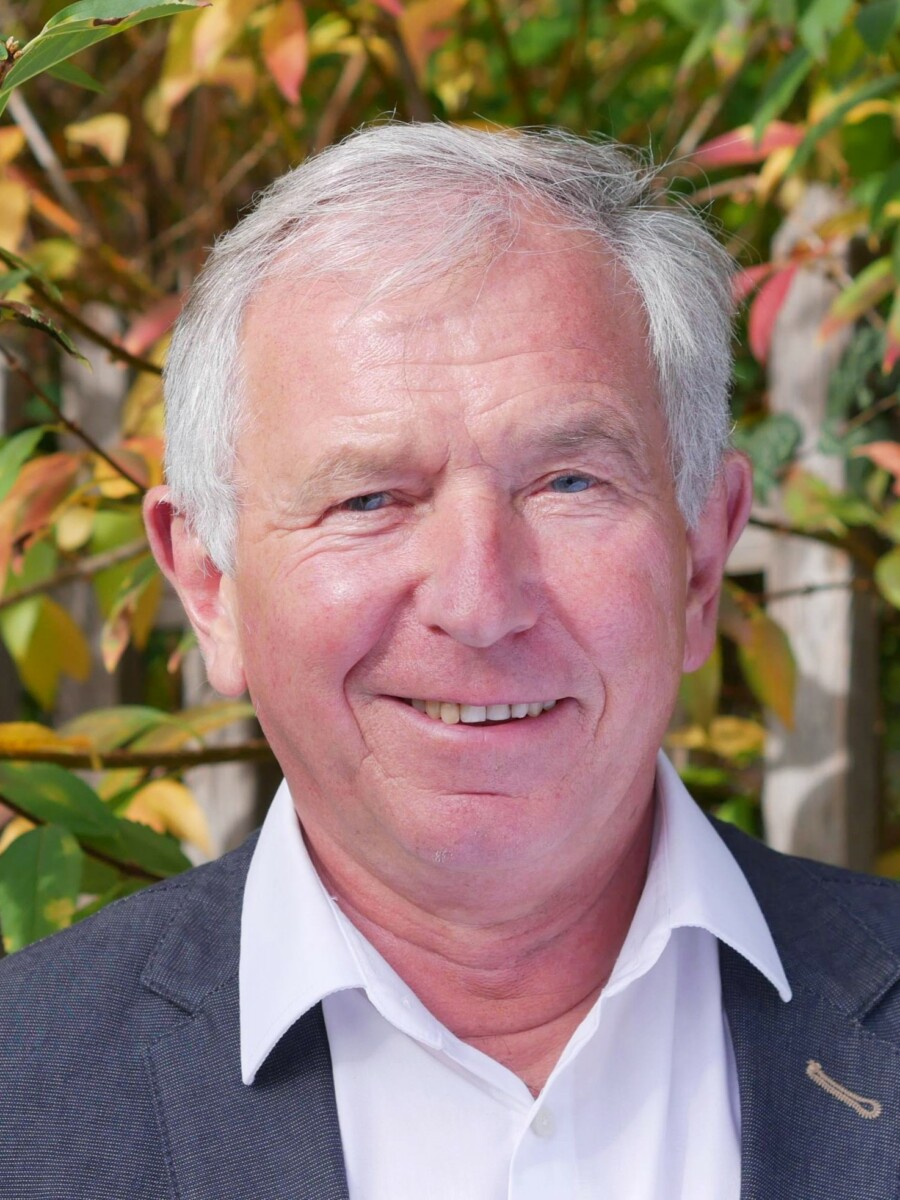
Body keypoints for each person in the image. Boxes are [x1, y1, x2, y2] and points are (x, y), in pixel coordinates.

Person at [1, 123, 898, 1200]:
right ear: (210, 586)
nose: (479, 605)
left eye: (568, 483)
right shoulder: (23, 1097)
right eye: (368, 499)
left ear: (701, 559)